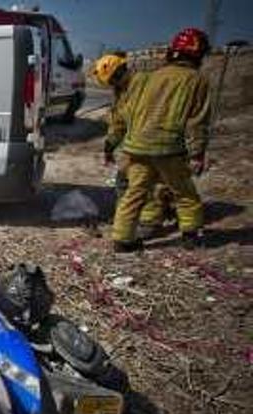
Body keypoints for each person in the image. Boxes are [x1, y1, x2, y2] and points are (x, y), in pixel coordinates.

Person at [104, 28, 212, 252]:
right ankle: (191, 235)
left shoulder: (150, 77)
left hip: (137, 147)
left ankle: (122, 240)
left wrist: (114, 143)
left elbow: (127, 114)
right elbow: (197, 121)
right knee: (184, 192)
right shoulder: (196, 80)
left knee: (134, 193)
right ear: (199, 55)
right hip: (169, 148)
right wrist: (197, 153)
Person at [91, 53, 175, 240]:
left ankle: (149, 222)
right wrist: (110, 144)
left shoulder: (148, 84)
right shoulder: (123, 92)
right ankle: (128, 217)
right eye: (112, 82)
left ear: (122, 69)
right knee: (123, 179)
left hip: (157, 142)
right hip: (137, 144)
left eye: (115, 79)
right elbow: (120, 121)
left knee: (147, 183)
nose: (115, 83)